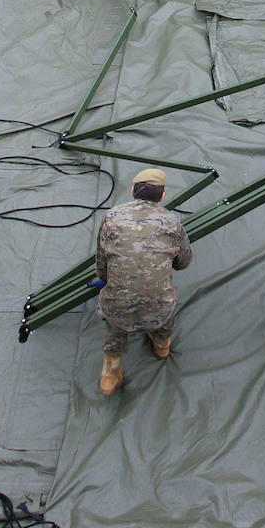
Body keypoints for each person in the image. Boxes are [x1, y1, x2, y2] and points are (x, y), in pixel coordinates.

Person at [92, 168, 193, 396]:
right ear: (162, 196)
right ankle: (161, 346)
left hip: (118, 307)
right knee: (163, 310)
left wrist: (107, 280)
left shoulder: (112, 218)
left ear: (132, 192)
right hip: (159, 308)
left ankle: (110, 373)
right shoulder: (172, 222)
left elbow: (101, 263)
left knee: (115, 328)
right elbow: (183, 262)